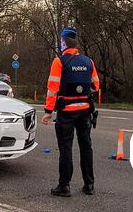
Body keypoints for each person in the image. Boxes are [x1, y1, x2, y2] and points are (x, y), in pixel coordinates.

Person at [41, 27, 100, 197]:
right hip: (85, 111)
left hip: (66, 112)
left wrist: (48, 111)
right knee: (86, 147)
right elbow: (96, 85)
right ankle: (89, 184)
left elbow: (52, 89)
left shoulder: (59, 62)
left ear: (63, 43)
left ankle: (64, 186)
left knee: (66, 148)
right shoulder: (88, 61)